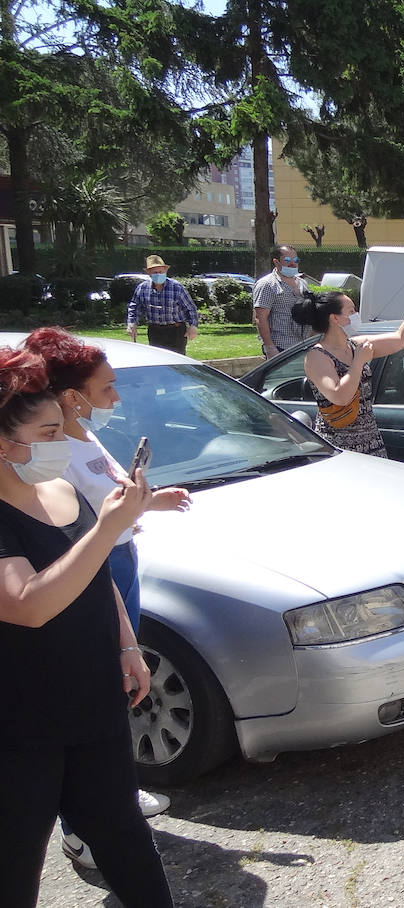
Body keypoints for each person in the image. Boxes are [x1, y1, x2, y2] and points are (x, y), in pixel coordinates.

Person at [0, 347, 173, 907]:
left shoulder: (61, 490)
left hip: (92, 700)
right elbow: (27, 604)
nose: (62, 444)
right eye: (48, 433)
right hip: (20, 721)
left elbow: (97, 579)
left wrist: (126, 644)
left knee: (124, 835)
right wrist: (107, 529)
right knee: (15, 858)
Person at [295, 278, 404, 457]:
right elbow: (340, 396)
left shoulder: (355, 345)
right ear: (335, 318)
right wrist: (358, 362)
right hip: (340, 447)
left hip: (371, 441)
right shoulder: (317, 356)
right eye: (351, 311)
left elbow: (402, 338)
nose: (356, 315)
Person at [125, 255, 199, 354]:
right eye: (155, 272)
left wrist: (193, 326)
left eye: (161, 272)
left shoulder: (177, 287)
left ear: (165, 271)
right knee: (158, 359)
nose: (158, 274)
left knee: (176, 360)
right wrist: (132, 323)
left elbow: (190, 308)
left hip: (176, 331)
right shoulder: (142, 288)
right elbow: (134, 307)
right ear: (149, 273)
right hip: (155, 331)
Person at [254, 244, 311, 356]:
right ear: (276, 262)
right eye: (287, 260)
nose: (293, 263)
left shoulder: (302, 283)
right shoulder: (267, 284)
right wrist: (270, 347)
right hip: (280, 347)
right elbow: (260, 318)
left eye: (296, 260)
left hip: (303, 345)